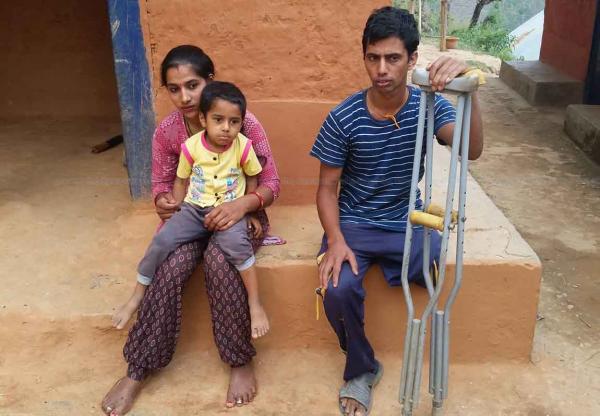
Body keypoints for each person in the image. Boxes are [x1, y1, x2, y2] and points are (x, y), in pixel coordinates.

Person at [310, 7, 483, 416]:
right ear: (364, 57)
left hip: (405, 220)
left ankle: (394, 266)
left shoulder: (428, 106)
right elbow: (326, 189)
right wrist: (335, 240)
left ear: (412, 59)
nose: (382, 69)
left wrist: (470, 90)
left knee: (432, 257)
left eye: (393, 58)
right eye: (373, 58)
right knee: (338, 289)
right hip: (354, 222)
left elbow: (471, 149)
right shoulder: (343, 118)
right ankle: (361, 369)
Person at [101, 45, 280, 416]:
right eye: (174, 88)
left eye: (192, 85)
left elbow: (270, 182)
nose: (184, 96)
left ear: (210, 81)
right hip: (191, 215)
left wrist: (243, 206)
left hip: (239, 216)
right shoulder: (169, 132)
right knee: (171, 266)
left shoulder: (240, 120)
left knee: (220, 261)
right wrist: (164, 201)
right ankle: (138, 368)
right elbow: (163, 184)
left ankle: (239, 359)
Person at [113, 80, 270, 339]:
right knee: (163, 240)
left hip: (229, 214)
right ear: (203, 119)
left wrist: (248, 212)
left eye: (234, 122)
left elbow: (253, 177)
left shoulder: (243, 147)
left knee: (237, 248)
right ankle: (137, 294)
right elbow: (180, 180)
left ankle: (255, 304)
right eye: (218, 120)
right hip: (194, 210)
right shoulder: (191, 147)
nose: (226, 128)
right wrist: (176, 210)